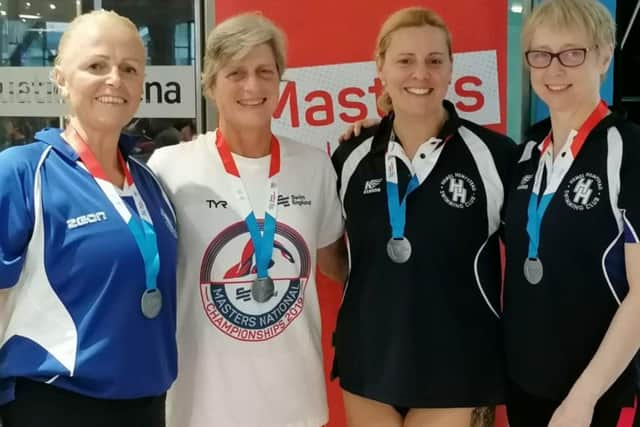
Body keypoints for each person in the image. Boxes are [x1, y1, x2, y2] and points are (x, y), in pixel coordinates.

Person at [147, 13, 347, 427]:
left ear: (280, 82)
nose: (252, 86)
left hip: (296, 404)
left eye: (264, 72)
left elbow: (337, 264)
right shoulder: (169, 168)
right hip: (200, 406)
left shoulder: (314, 166)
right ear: (211, 84)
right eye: (235, 73)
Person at [330, 6, 516, 427]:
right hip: (370, 360)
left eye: (435, 61)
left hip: (458, 365)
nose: (421, 74)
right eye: (405, 61)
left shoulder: (495, 155)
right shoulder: (350, 156)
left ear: (451, 68)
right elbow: (333, 255)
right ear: (380, 67)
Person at [0, 10, 177, 427]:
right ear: (61, 77)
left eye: (129, 68)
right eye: (97, 65)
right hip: (54, 405)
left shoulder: (151, 184)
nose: (115, 79)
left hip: (148, 405)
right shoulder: (23, 173)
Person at [502, 0, 640, 425]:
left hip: (590, 394)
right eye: (541, 55)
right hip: (524, 380)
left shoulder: (627, 149)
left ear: (603, 56)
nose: (554, 69)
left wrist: (584, 399)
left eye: (572, 53)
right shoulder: (527, 152)